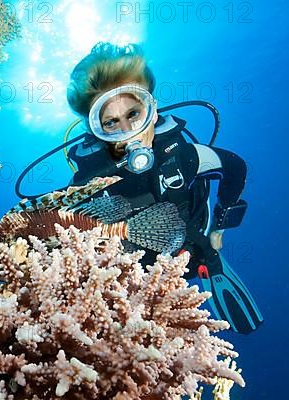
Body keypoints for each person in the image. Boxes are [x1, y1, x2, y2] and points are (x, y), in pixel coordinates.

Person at [65, 42, 263, 334]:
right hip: (134, 273)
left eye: (134, 114)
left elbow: (235, 167)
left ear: (152, 110)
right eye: (110, 122)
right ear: (94, 129)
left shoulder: (182, 156)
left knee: (201, 254)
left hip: (194, 240)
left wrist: (219, 226)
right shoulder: (86, 185)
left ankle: (210, 263)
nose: (127, 131)